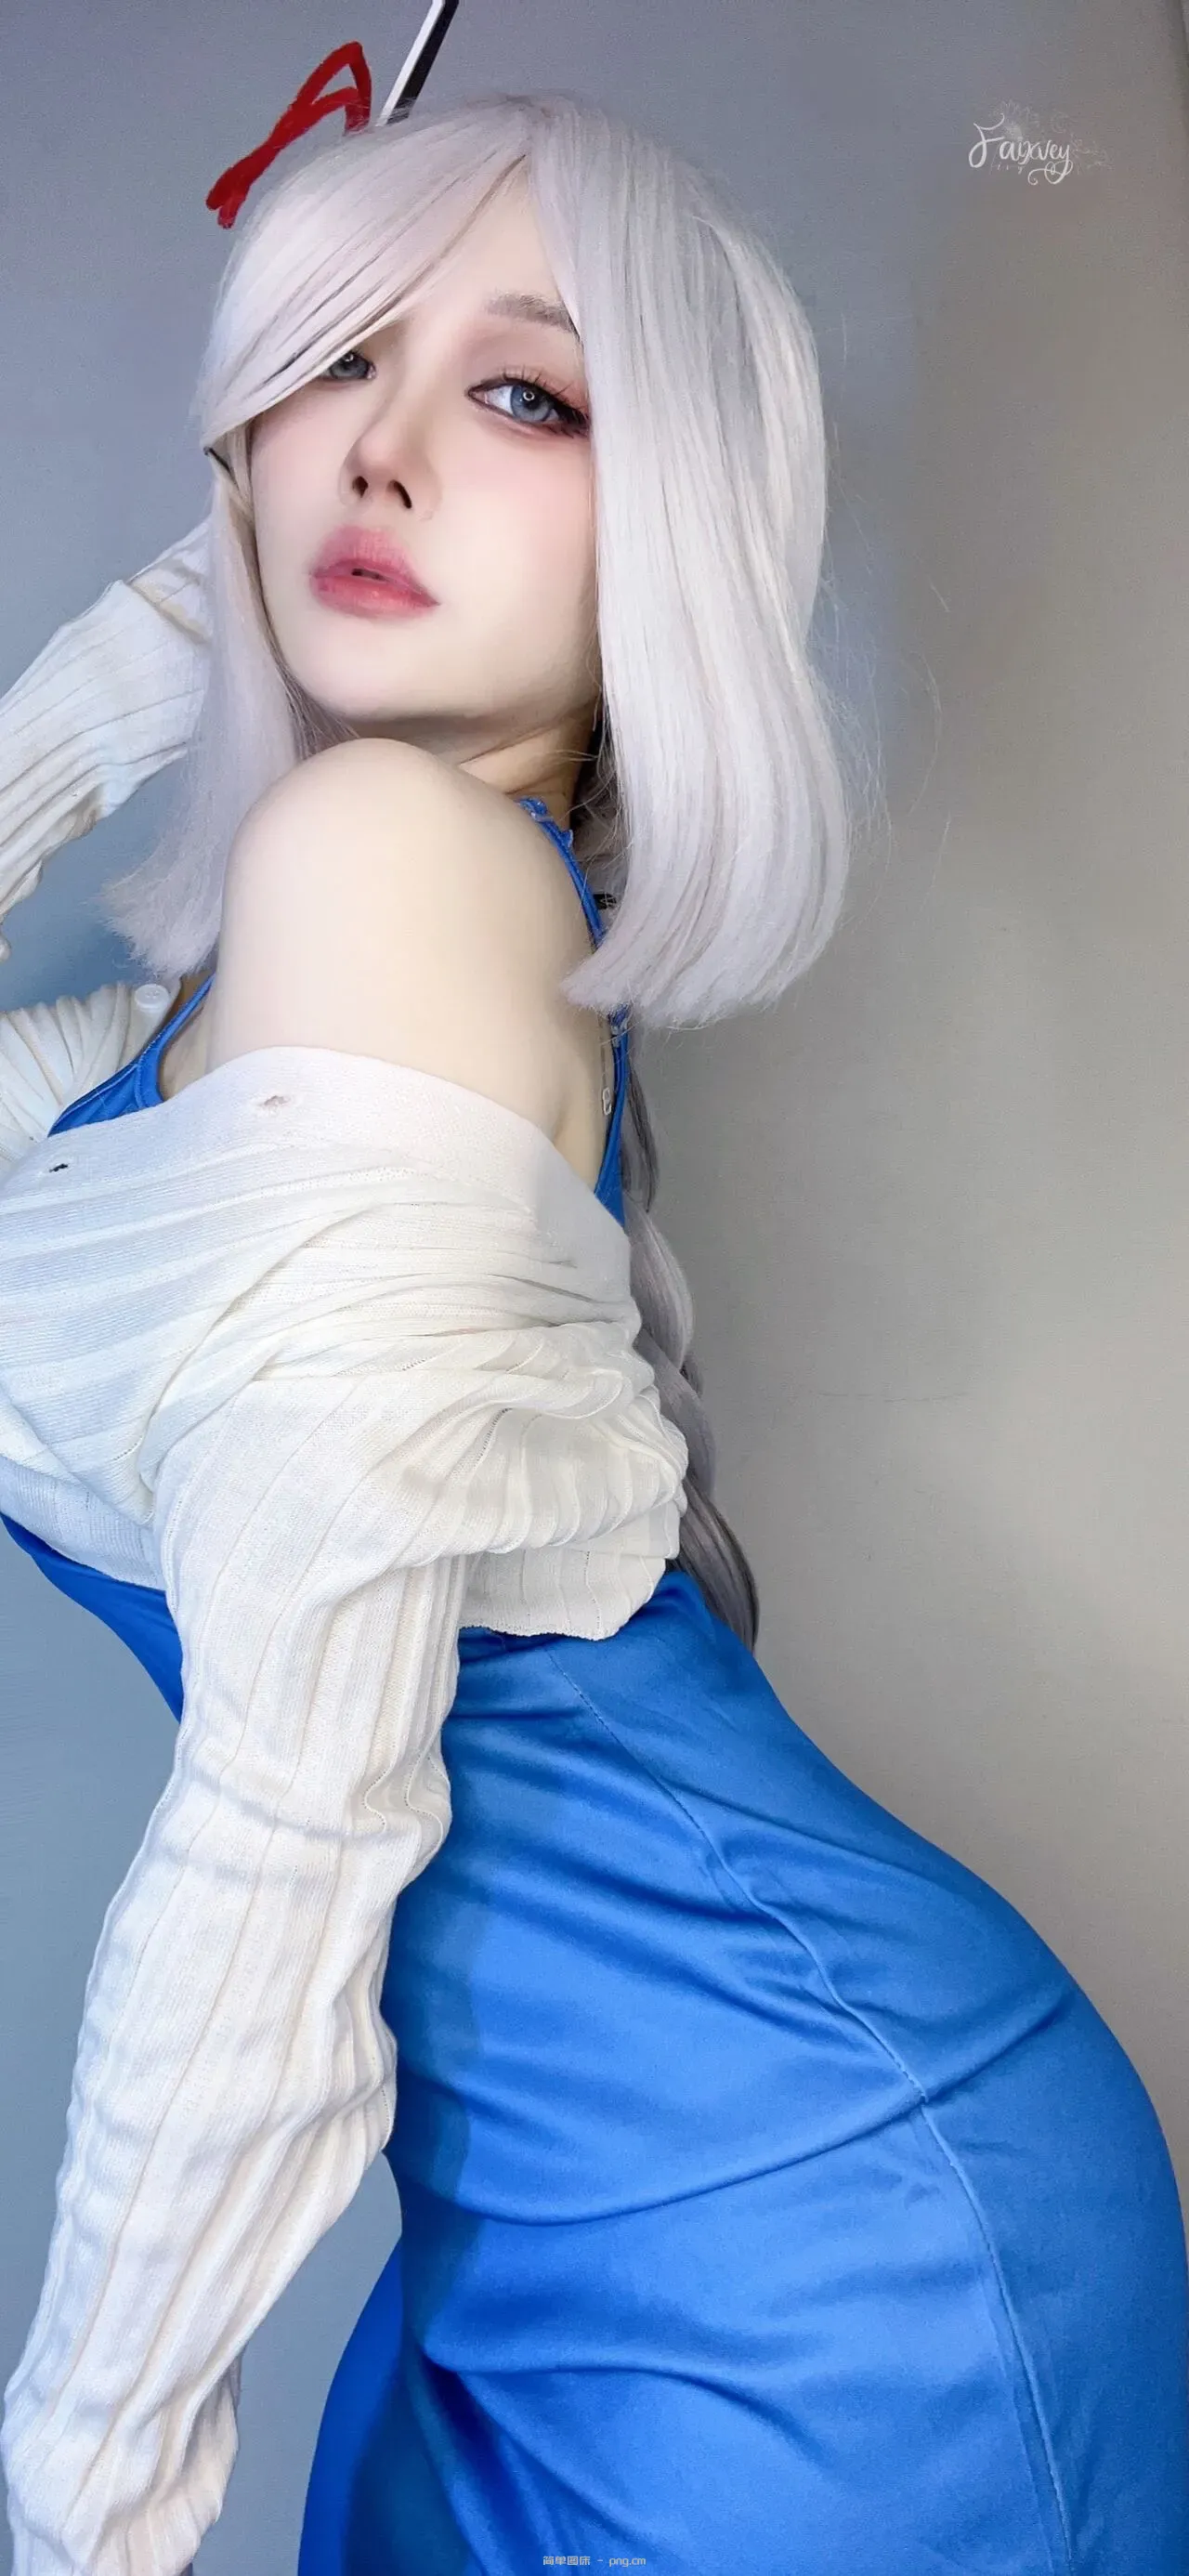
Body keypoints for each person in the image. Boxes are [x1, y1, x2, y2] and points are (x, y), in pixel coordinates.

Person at [0, 90, 1185, 2576]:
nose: (386, 447)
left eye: (528, 391)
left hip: (798, 2251)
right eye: (336, 356)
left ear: (681, 534)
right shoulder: (281, 980)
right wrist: (152, 651)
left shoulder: (386, 869)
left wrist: (83, 2501)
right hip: (572, 2217)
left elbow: (290, 1824)